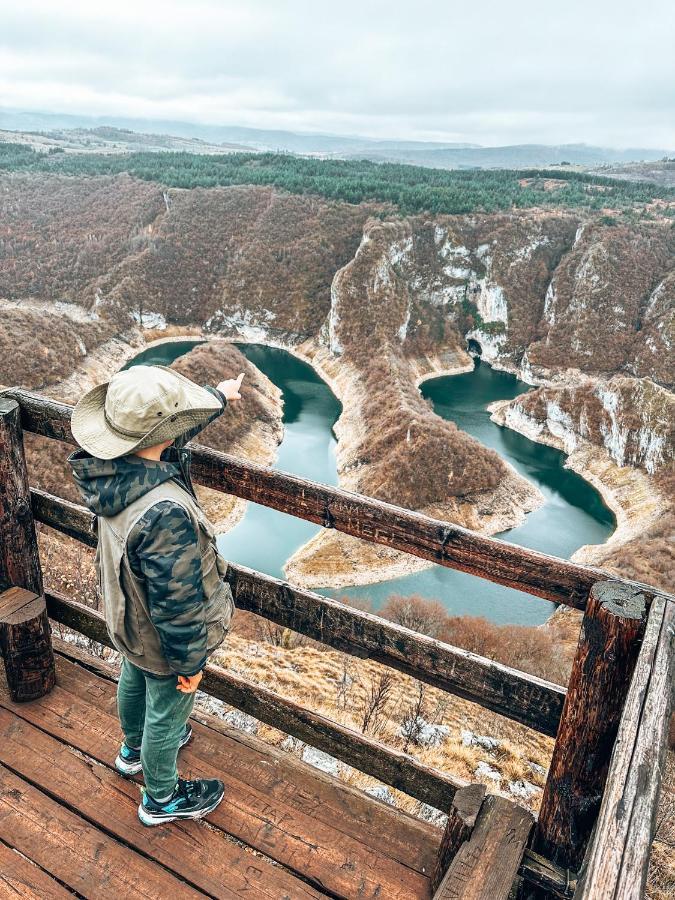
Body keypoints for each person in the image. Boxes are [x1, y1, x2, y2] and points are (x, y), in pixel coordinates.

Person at [68, 363, 244, 826]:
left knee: (134, 674)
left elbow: (167, 435)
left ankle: (131, 750)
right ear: (161, 435)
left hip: (128, 617)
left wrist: (219, 397)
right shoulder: (164, 512)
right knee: (169, 706)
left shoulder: (109, 472)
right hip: (164, 635)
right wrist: (190, 663)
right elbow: (179, 602)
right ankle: (161, 798)